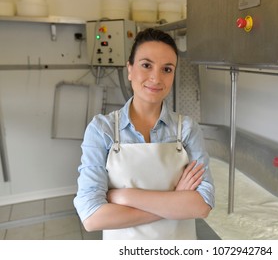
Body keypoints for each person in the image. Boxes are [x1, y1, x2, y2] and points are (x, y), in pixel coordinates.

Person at [73, 28, 215, 240]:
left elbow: (202, 206)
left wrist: (124, 196)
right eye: (146, 65)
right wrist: (175, 201)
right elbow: (92, 217)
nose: (156, 78)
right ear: (129, 69)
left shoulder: (186, 129)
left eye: (167, 69)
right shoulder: (102, 130)